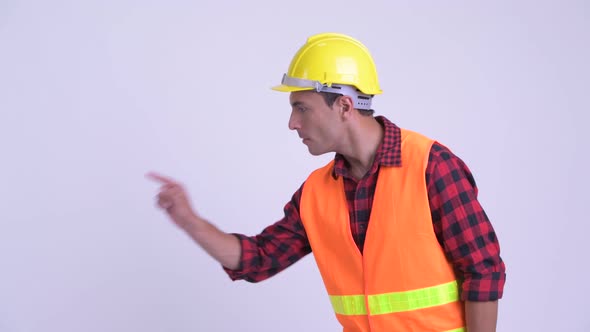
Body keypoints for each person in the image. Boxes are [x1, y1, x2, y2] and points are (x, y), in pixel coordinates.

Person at [147, 33, 506, 332]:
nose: (292, 123)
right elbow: (257, 259)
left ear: (345, 107)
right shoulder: (315, 194)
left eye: (302, 107)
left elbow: (483, 271)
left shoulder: (431, 165)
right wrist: (190, 222)